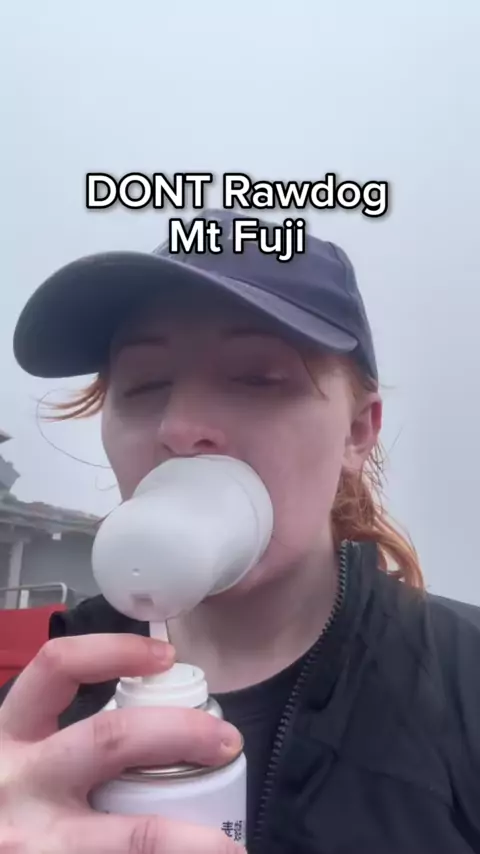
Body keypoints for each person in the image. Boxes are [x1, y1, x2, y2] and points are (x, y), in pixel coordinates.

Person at [2, 210, 480, 854]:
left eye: (257, 377)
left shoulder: (465, 683)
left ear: (357, 432)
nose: (179, 427)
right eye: (144, 384)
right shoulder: (28, 719)